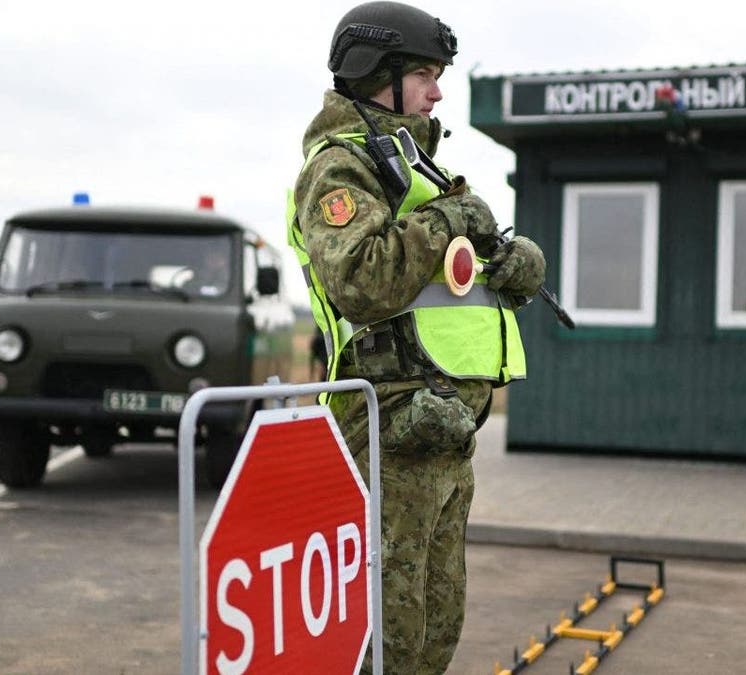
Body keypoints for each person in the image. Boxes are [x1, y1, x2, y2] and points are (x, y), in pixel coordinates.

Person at [285, 2, 546, 673]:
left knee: (435, 622)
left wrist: (510, 264)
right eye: (426, 74)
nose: (437, 91)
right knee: (389, 636)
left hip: (442, 429)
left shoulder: (417, 167)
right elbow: (362, 279)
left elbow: (450, 273)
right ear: (378, 74)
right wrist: (452, 216)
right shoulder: (339, 168)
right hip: (389, 425)